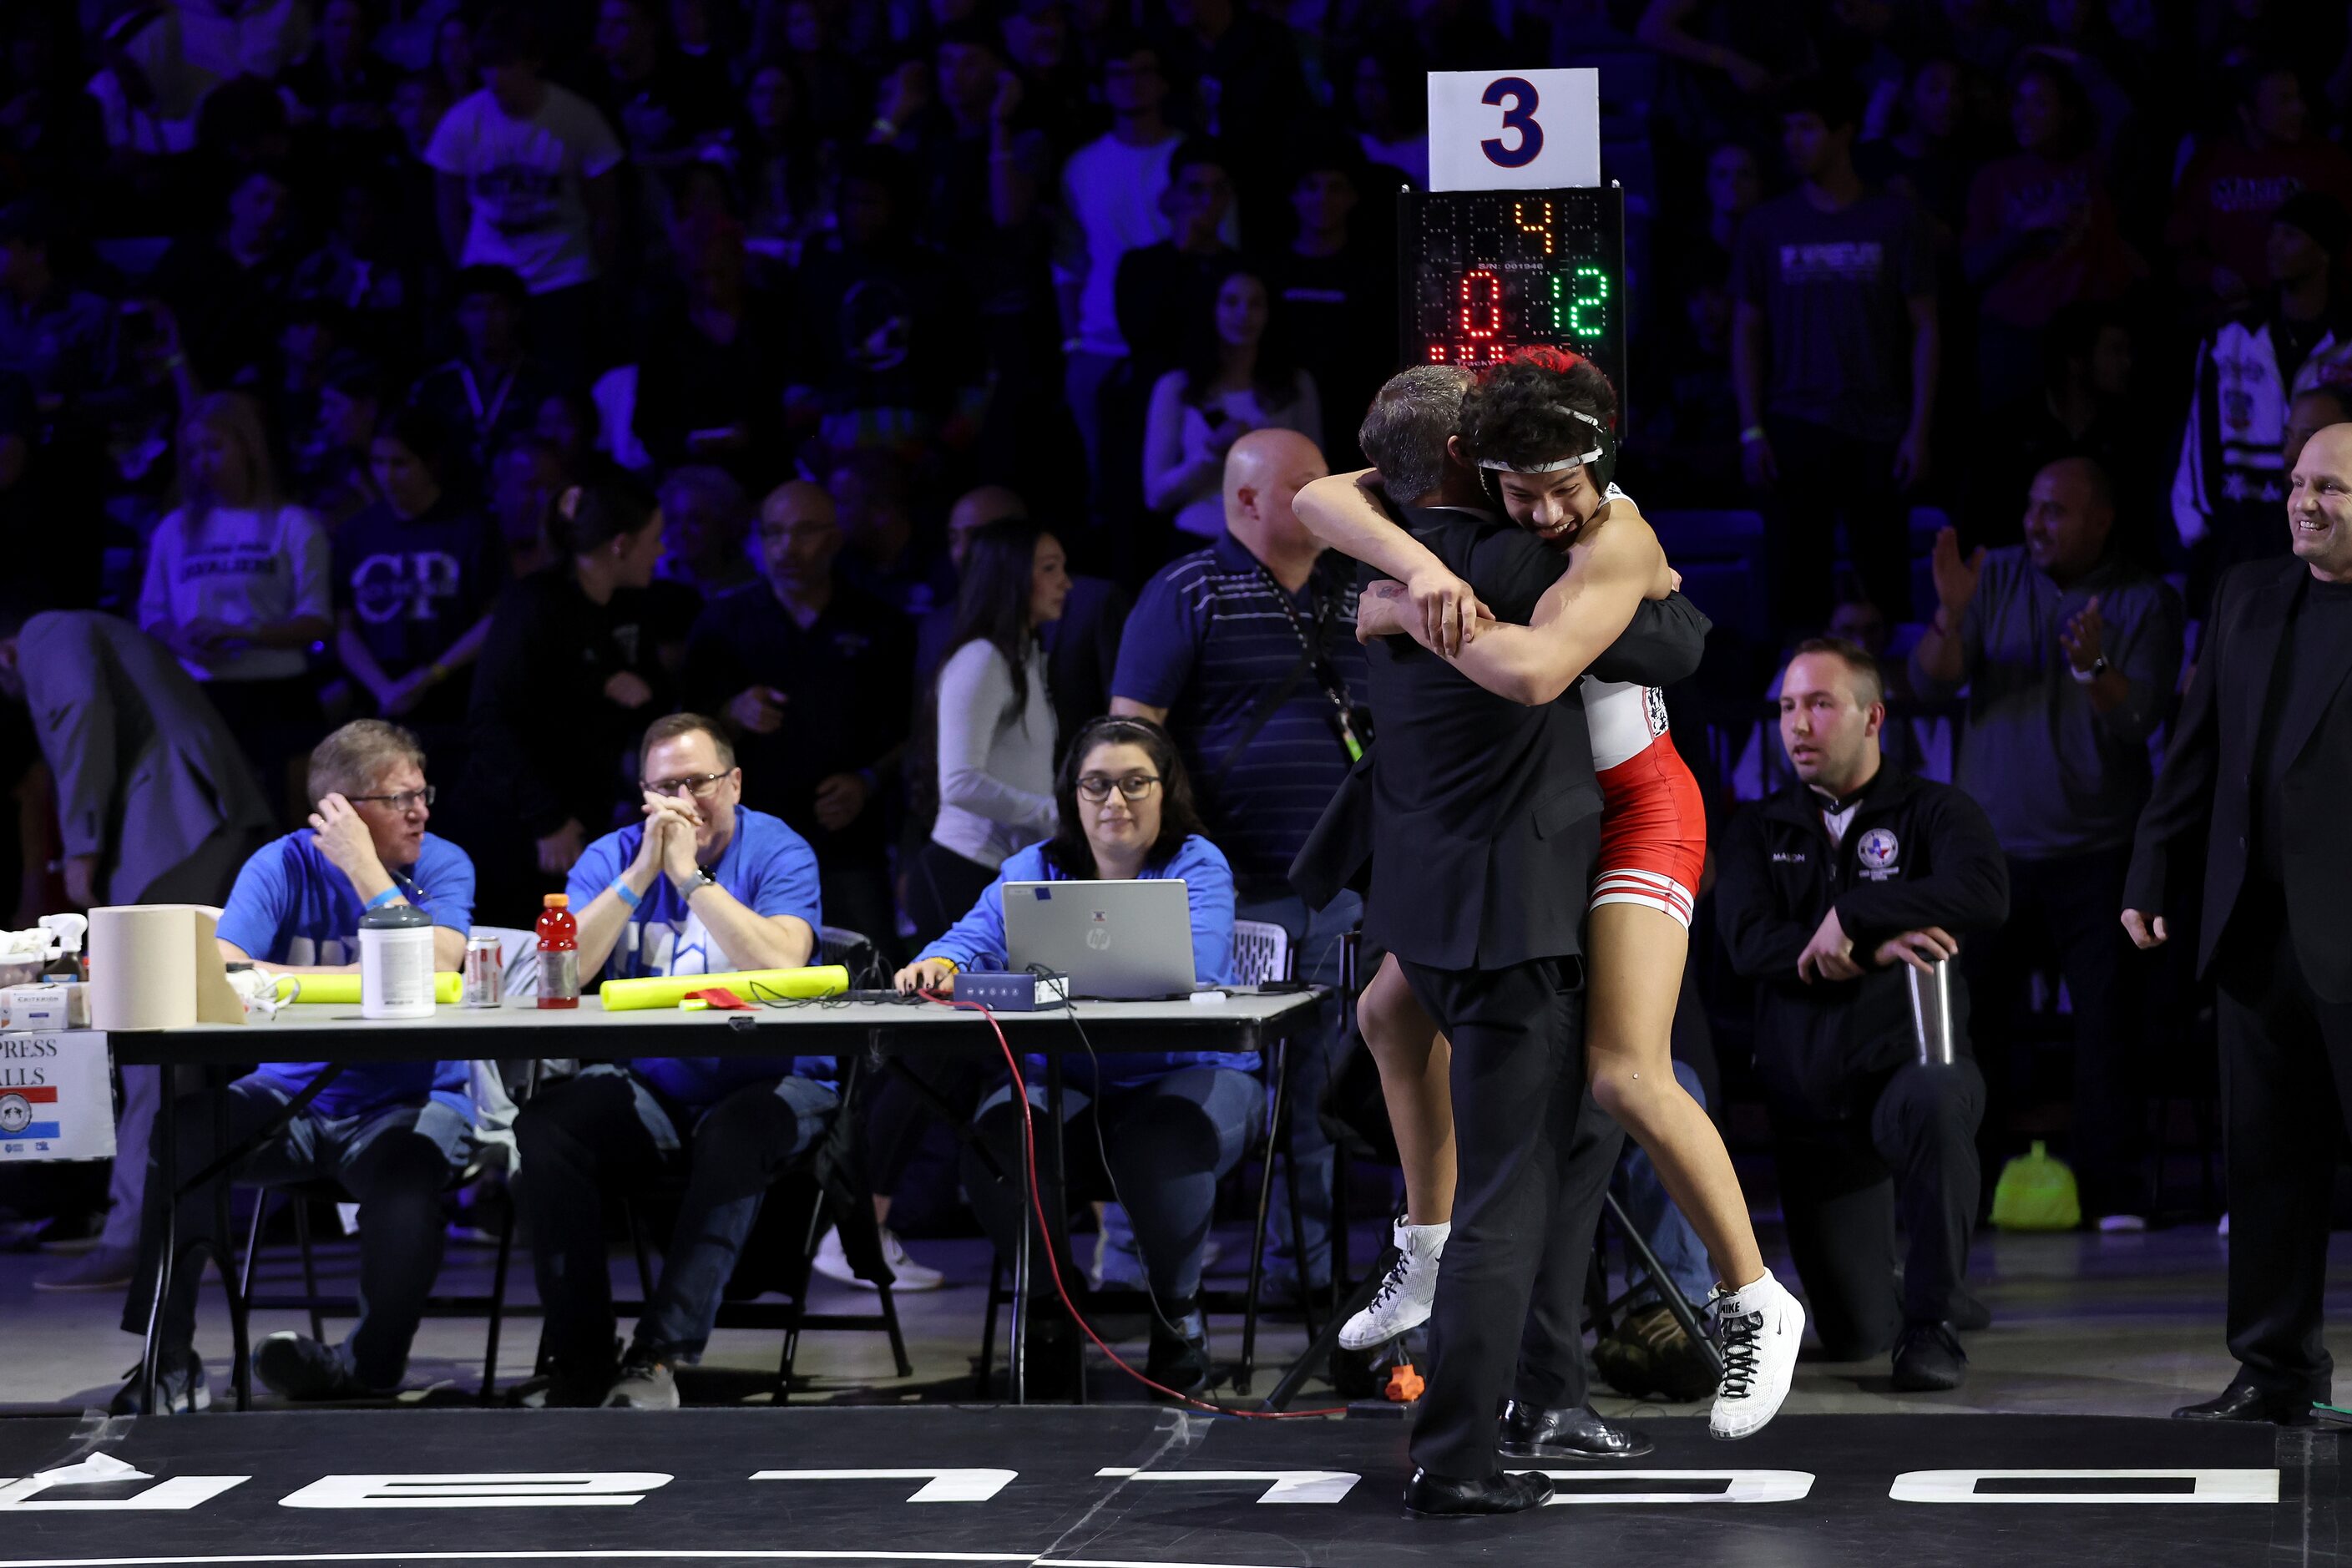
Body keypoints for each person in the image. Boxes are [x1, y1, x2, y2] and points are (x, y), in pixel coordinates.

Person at [1299, 353, 1798, 1449]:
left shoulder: (1613, 534)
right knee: (1388, 1012)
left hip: (1639, 809)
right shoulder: (1486, 524)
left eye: (1557, 490)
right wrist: (1408, 569)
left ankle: (1752, 1293)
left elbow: (1531, 673)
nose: (1542, 513)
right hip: (1553, 825)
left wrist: (1400, 603)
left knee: (1623, 1072)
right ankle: (1431, 1247)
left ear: (1596, 465)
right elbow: (1317, 495)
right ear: (1475, 474)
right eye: (1516, 494)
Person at [111, 720, 479, 1412]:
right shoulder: (279, 865)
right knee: (184, 1133)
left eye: (423, 793)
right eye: (400, 798)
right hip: (291, 1103)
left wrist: (367, 874)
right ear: (339, 809)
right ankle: (168, 1357)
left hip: (410, 1103)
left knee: (406, 1183)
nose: (421, 810)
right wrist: (355, 975)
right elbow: (223, 966)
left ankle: (368, 1368)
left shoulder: (440, 863)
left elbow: (434, 969)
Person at [898, 716, 1256, 1399]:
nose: (1114, 802)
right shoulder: (1032, 867)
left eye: (1133, 784)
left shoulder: (1196, 861)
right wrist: (939, 962)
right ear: (1073, 794)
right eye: (1097, 785)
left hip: (1189, 1074)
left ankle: (1176, 1317)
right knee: (998, 1140)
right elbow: (968, 937)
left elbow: (1200, 966)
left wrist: (1044, 981)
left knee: (1160, 1142)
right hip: (1065, 1079)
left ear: (1164, 789)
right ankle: (1052, 1311)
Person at [2124, 421, 2352, 1426]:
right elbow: (2196, 748)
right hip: (2255, 933)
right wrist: (2152, 867)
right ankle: (2275, 1370)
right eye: (2300, 483)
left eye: (2333, 489)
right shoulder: (2249, 596)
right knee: (2263, 1161)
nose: (2306, 502)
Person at [1716, 639, 2009, 1393]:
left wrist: (1856, 912)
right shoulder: (1758, 827)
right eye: (1786, 708)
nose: (1797, 726)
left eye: (1819, 704)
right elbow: (1747, 944)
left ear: (1872, 716)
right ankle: (1911, 1286)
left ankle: (1934, 1322)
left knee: (1940, 1096)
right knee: (1851, 1337)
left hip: (1902, 1076)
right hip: (1810, 1108)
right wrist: (1870, 948)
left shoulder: (1932, 811)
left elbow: (1983, 893)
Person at [515, 712, 829, 1409]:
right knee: (547, 1125)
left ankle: (657, 1358)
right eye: (666, 787)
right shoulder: (615, 852)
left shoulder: (778, 851)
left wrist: (690, 880)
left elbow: (782, 959)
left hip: (777, 1080)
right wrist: (639, 875)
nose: (684, 802)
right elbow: (559, 978)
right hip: (654, 1084)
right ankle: (581, 1357)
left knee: (737, 1131)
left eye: (700, 782)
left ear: (736, 783)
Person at [1112, 428, 1358, 1297]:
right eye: (1310, 488)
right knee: (1230, 1077)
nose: (1330, 501)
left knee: (1327, 1090)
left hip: (1347, 891)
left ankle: (1315, 1274)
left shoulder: (1355, 587)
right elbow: (1131, 735)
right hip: (1236, 891)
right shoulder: (1189, 588)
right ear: (1249, 501)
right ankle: (1156, 1265)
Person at [1911, 459, 2183, 1224]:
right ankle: (1969, 1185)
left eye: (2056, 512)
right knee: (1976, 1026)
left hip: (2099, 852)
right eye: (2032, 508)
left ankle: (2112, 1191)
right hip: (1990, 854)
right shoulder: (1991, 580)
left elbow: (2138, 719)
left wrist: (2092, 664)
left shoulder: (2144, 599)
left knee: (2107, 1029)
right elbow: (1931, 682)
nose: (2035, 524)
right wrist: (1951, 616)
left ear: (2101, 520)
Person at [1, 606, 275, 1294]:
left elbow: (79, 705)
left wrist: (83, 841)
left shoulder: (44, 633)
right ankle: (172, 1226)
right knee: (173, 1044)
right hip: (187, 823)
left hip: (170, 829)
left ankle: (135, 1238)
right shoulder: (92, 631)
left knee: (151, 1038)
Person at [1733, 76, 1940, 633]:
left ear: (1842, 133)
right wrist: (1751, 430)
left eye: (1806, 127)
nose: (1792, 140)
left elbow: (1926, 326)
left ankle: (1892, 709)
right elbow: (1746, 330)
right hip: (1794, 424)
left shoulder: (1893, 219)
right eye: (1787, 129)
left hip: (1877, 425)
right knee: (1794, 591)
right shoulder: (1766, 225)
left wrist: (1918, 432)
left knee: (1885, 588)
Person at [685, 480, 909, 955]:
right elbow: (683, 730)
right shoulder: (723, 622)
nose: (787, 547)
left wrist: (868, 781)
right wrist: (732, 713)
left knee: (871, 977)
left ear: (834, 536)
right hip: (747, 844)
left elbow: (916, 733)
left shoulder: (880, 622)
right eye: (774, 533)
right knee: (752, 976)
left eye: (804, 531)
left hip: (848, 840)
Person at [463, 478, 669, 917]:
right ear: (620, 545)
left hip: (588, 813)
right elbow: (490, 721)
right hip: (522, 824)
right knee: (526, 954)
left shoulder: (632, 605)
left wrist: (630, 688)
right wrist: (547, 819)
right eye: (655, 539)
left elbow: (652, 697)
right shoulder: (533, 605)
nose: (661, 551)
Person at [137, 391, 334, 819]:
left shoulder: (292, 524)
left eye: (214, 447)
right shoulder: (175, 529)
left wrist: (245, 632)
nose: (203, 462)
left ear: (247, 446)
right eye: (193, 452)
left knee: (292, 822)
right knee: (216, 820)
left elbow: (318, 620)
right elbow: (152, 613)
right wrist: (182, 640)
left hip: (278, 695)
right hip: (201, 694)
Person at [2171, 193, 2352, 608]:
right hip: (2240, 529)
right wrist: (2197, 531)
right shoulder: (2230, 337)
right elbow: (2198, 443)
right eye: (2272, 234)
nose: (2274, 244)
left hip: (2329, 527)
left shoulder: (2346, 341)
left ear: (2323, 250)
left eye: (2290, 235)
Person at [424, 6, 622, 378]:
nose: (494, 78)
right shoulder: (462, 122)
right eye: (486, 66)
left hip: (564, 279)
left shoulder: (579, 118)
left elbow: (606, 210)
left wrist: (599, 276)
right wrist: (470, 275)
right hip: (491, 285)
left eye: (505, 65)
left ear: (534, 62)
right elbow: (448, 208)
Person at [906, 517, 1068, 945]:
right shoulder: (981, 660)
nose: (1065, 583)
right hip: (963, 869)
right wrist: (1053, 814)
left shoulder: (1024, 657)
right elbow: (959, 784)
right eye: (1050, 568)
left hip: (1005, 873)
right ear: (1011, 577)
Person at [333, 408, 503, 749]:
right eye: (379, 463)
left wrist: (432, 675)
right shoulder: (357, 531)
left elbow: (493, 617)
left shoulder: (470, 527)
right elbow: (344, 627)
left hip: (454, 697)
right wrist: (383, 688)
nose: (387, 476)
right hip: (379, 699)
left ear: (432, 463)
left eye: (401, 463)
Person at [1054, 36, 1181, 487]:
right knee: (1100, 478)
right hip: (1098, 343)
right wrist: (1072, 343)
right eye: (1119, 74)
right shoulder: (1082, 165)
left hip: (1174, 343)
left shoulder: (1184, 158)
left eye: (1143, 71)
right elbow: (1068, 262)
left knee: (1170, 474)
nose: (1131, 83)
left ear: (1163, 83)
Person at [1143, 268, 1322, 544]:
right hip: (1199, 540)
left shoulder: (1297, 385)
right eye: (1231, 303)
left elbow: (1315, 482)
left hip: (1275, 542)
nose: (1243, 315)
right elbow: (1156, 496)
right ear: (1211, 309)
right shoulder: (1177, 387)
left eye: (1255, 304)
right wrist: (1212, 452)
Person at [2167, 60, 2352, 315]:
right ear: (2246, 112)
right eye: (2283, 101)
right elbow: (2181, 255)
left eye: (2298, 97)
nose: (2299, 109)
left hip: (2311, 316)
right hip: (2230, 319)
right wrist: (2210, 275)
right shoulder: (2208, 164)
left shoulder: (2327, 161)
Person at [407, 266, 563, 490]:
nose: (486, 319)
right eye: (474, 308)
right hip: (452, 497)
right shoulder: (433, 386)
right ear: (459, 316)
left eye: (497, 307)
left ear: (516, 313)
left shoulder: (543, 381)